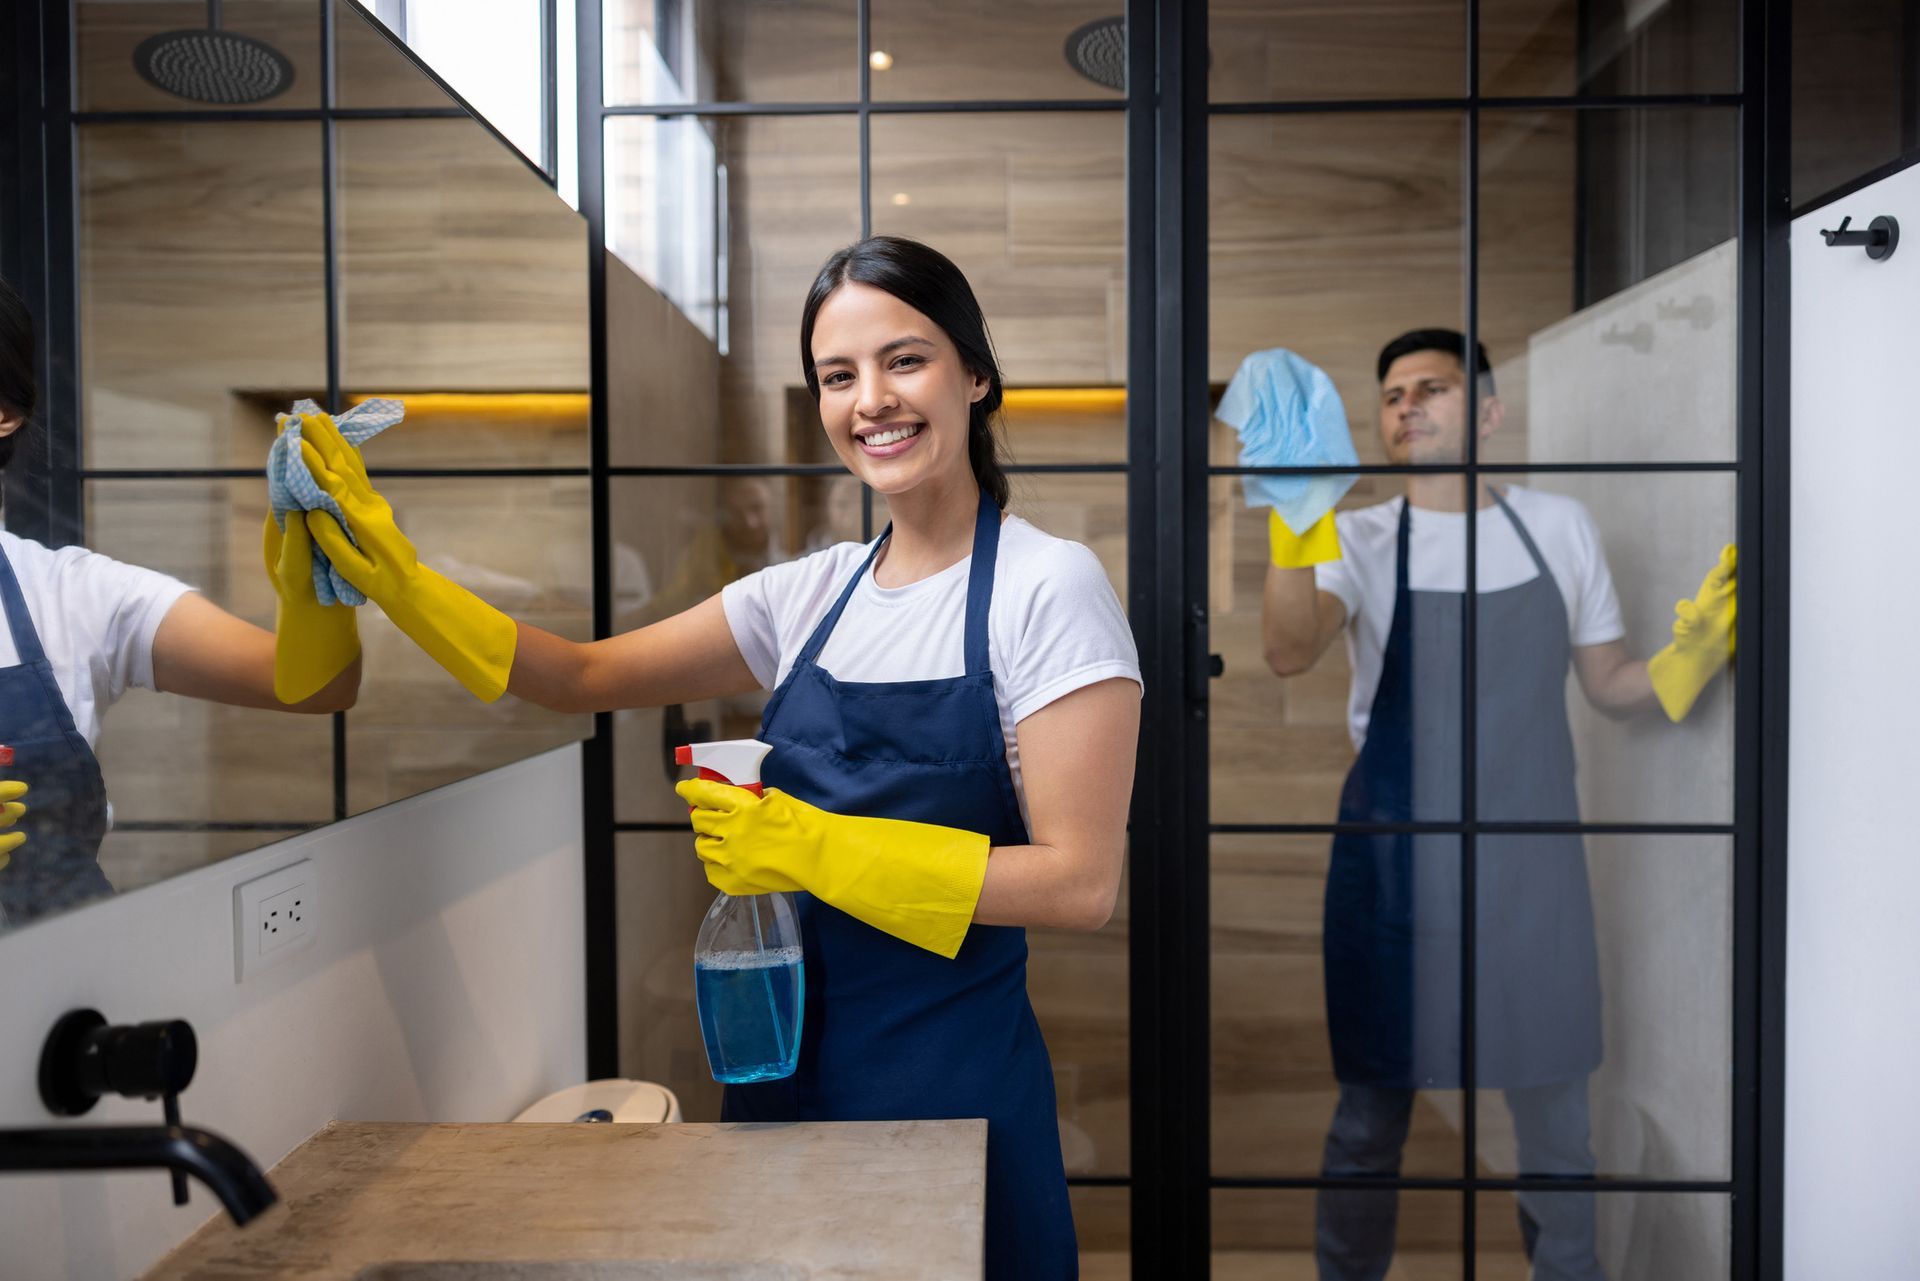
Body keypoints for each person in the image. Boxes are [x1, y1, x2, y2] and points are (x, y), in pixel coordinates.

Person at [288, 235, 1143, 1278]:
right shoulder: (807, 595)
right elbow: (581, 678)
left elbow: (1079, 882)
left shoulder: (1049, 587)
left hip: (950, 1093)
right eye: (839, 375)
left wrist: (812, 846)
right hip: (777, 1083)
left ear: (975, 373)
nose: (871, 398)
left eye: (904, 359)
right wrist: (400, 576)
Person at [1256, 329, 1735, 1281]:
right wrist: (1292, 521)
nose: (1407, 407)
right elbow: (1286, 649)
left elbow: (1606, 682)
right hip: (1396, 868)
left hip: (1531, 863)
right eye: (1392, 395)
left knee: (1555, 1119)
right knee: (1369, 1117)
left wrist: (1696, 655)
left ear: (1487, 409)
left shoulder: (1558, 527)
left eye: (1430, 388)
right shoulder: (1358, 538)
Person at [0, 277, 361, 927]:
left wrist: (318, 569)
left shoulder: (74, 594)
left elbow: (317, 684)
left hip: (69, 992)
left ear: (4, 412)